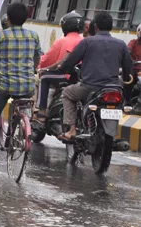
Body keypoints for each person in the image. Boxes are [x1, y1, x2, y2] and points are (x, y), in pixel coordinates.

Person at [0, 2, 42, 164]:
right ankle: (20, 128)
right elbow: (37, 58)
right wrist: (31, 70)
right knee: (22, 106)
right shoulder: (33, 35)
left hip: (5, 85)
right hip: (27, 85)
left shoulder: (1, 36)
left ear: (9, 19)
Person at [56, 12, 133, 142]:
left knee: (67, 93)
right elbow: (128, 70)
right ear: (111, 26)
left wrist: (63, 68)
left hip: (89, 87)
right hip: (114, 89)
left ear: (95, 27)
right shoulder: (121, 44)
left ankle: (72, 129)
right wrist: (126, 87)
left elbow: (70, 61)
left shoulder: (87, 42)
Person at [33, 12, 84, 122]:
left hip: (67, 75)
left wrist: (42, 67)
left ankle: (41, 111)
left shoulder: (62, 41)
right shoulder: (83, 40)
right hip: (81, 78)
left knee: (44, 78)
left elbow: (47, 59)